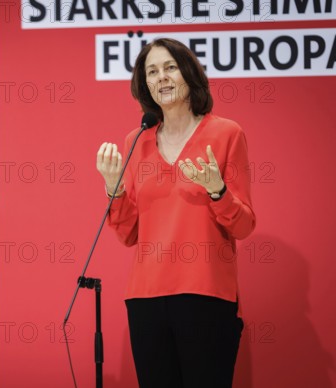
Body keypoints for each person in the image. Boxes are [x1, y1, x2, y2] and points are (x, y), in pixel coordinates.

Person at [96, 38, 255, 388]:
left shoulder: (226, 134)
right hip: (146, 298)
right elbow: (129, 234)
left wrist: (218, 190)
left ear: (189, 73)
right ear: (145, 84)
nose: (162, 78)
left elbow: (244, 225)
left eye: (170, 67)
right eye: (152, 72)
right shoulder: (136, 141)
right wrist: (114, 189)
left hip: (207, 294)